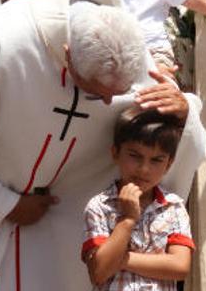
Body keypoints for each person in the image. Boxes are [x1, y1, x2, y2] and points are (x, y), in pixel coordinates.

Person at [0, 0, 206, 291]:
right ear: (68, 55)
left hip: (70, 223)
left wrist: (183, 111)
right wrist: (3, 203)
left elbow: (171, 135)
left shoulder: (128, 48)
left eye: (117, 94)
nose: (110, 103)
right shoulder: (3, 43)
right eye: (97, 93)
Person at [83, 106, 194, 290]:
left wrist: (122, 259)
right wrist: (128, 220)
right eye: (135, 156)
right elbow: (99, 271)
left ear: (169, 164)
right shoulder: (100, 206)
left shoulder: (173, 207)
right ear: (115, 153)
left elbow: (180, 267)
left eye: (156, 160)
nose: (144, 169)